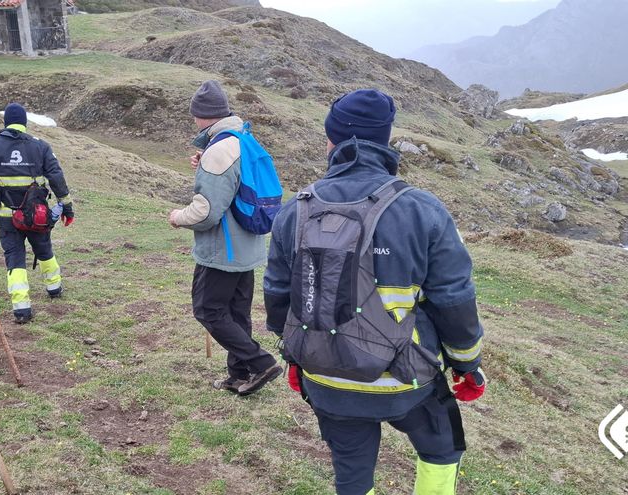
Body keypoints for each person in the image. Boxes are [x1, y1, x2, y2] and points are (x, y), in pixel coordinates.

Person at [263, 89, 485, 495]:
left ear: (332, 141)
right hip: (407, 382)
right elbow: (454, 300)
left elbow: (279, 295)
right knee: (442, 449)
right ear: (384, 140)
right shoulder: (422, 210)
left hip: (326, 378)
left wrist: (293, 357)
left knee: (351, 471)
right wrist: (467, 365)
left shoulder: (295, 209)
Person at [168, 80, 282, 397]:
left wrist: (178, 217)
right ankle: (238, 375)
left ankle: (262, 363)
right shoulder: (241, 138)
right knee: (236, 314)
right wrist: (205, 160)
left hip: (223, 251)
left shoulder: (219, 150)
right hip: (246, 247)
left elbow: (206, 212)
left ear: (202, 115)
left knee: (208, 310)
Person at [0, 102, 74, 324]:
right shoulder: (41, 146)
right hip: (37, 216)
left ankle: (21, 308)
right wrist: (67, 208)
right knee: (44, 249)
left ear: (5, 123)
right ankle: (54, 288)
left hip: (7, 219)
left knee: (14, 257)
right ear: (24, 123)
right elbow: (57, 179)